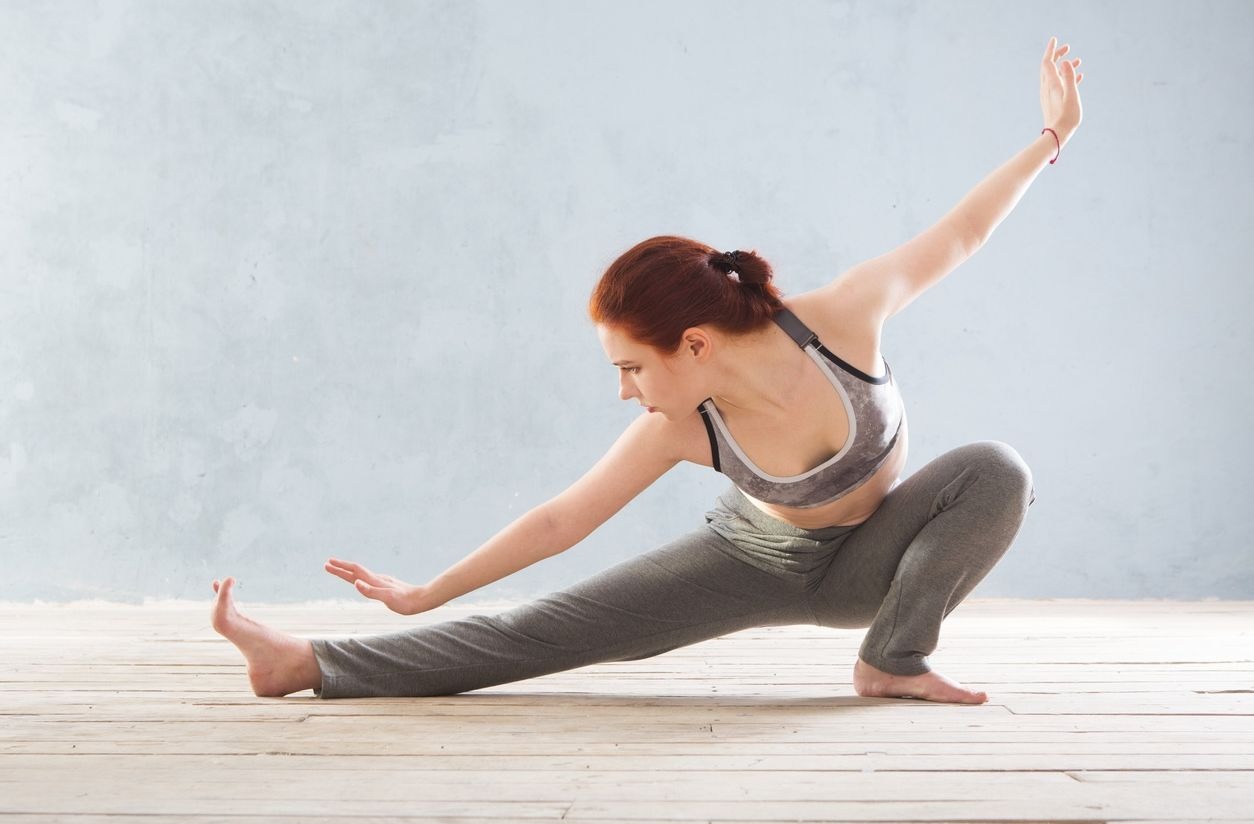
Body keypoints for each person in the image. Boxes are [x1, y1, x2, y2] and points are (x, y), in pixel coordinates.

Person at [211, 36, 1083, 704]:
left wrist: (1052, 136)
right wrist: (425, 592)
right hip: (750, 564)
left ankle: (893, 658)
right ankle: (304, 664)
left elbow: (963, 232)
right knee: (540, 633)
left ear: (694, 344)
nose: (624, 389)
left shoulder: (838, 322)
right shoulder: (678, 428)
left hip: (877, 566)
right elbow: (559, 524)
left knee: (995, 471)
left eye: (632, 366)